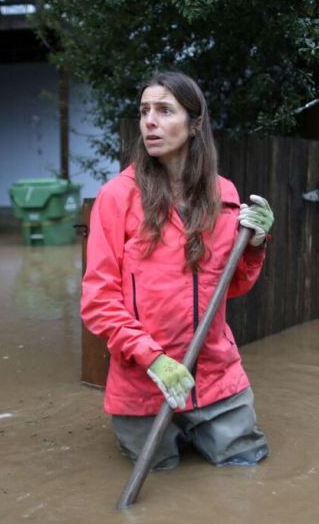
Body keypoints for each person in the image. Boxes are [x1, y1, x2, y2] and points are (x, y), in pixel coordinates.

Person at [81, 71, 274, 470]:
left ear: (194, 125)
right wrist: (154, 360)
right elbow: (98, 302)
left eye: (164, 110)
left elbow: (230, 286)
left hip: (216, 376)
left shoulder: (225, 196)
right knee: (161, 471)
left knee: (247, 465)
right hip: (143, 382)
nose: (149, 121)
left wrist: (255, 246)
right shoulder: (116, 198)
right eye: (144, 111)